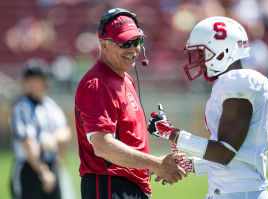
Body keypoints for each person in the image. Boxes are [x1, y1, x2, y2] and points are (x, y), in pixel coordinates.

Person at [148, 16, 268, 199]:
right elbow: (239, 159)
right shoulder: (241, 82)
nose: (199, 58)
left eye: (202, 52)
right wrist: (191, 165)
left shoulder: (237, 82)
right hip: (234, 192)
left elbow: (225, 153)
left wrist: (173, 134)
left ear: (222, 52)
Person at [74, 8, 186, 199]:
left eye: (137, 41)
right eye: (125, 42)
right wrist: (155, 164)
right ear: (104, 45)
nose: (133, 49)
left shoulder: (125, 79)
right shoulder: (97, 83)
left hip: (128, 186)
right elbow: (102, 145)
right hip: (110, 185)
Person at [10, 58, 72, 199]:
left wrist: (53, 138)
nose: (46, 82)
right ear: (29, 81)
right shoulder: (22, 107)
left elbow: (66, 132)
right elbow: (27, 142)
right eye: (41, 78)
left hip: (51, 165)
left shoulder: (50, 105)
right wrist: (43, 171)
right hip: (30, 168)